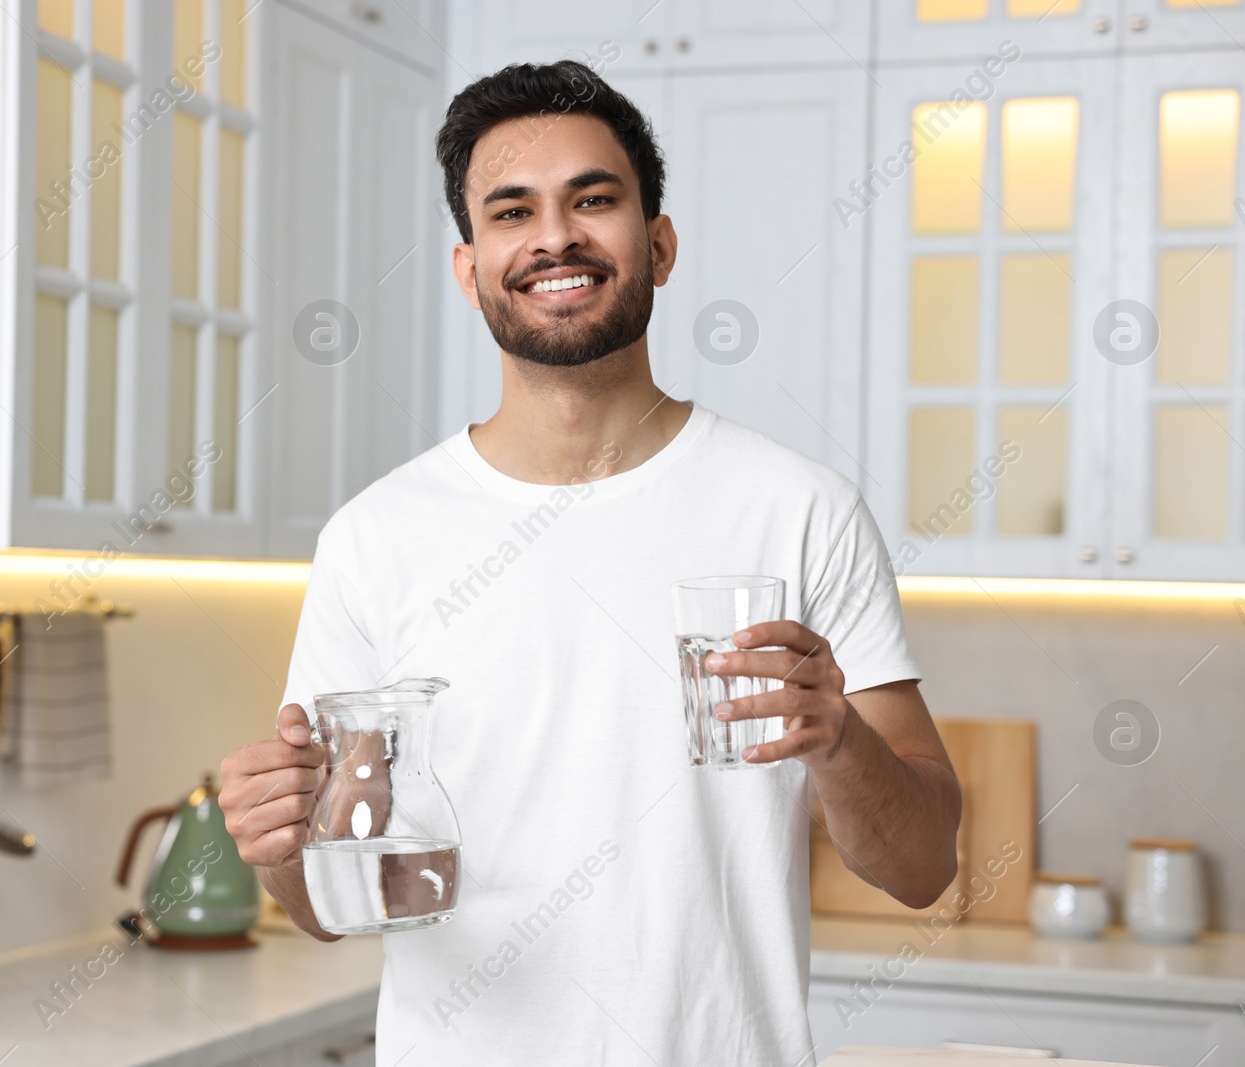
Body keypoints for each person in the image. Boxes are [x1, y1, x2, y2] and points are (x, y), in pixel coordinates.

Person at [220, 59, 960, 1066]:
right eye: (511, 211)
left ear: (657, 243)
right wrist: (276, 849)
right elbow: (329, 904)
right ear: (468, 264)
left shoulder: (799, 510)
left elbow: (922, 866)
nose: (554, 237)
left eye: (593, 200)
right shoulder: (376, 537)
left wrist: (838, 742)